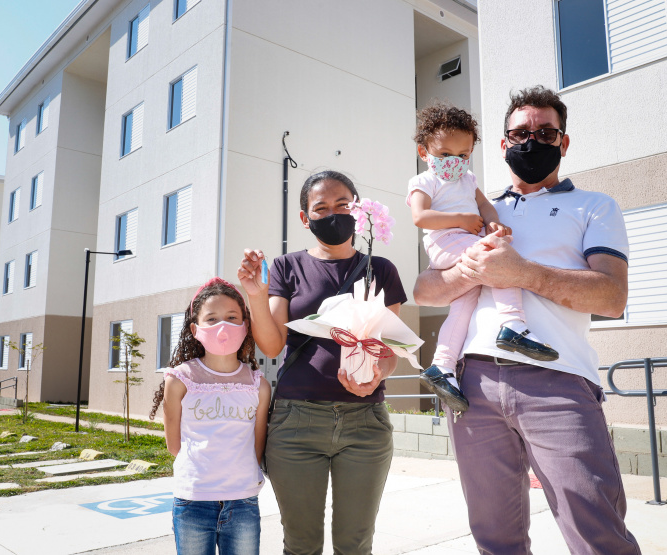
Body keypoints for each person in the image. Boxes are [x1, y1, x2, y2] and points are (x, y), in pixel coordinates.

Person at [413, 86, 641, 554]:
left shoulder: (595, 206)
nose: (531, 140)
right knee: (495, 537)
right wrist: (468, 269)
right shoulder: (478, 211)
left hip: (558, 379)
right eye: (520, 132)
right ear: (502, 144)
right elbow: (424, 291)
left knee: (596, 531)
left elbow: (612, 296)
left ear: (564, 141)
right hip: (470, 384)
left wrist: (525, 273)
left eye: (545, 132)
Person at [237, 170, 407, 555]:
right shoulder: (286, 267)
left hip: (366, 423)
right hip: (296, 423)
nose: (333, 214)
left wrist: (377, 373)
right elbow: (272, 342)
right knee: (301, 545)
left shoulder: (381, 269)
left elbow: (390, 349)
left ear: (358, 211)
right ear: (305, 217)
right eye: (321, 208)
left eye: (342, 204)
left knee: (355, 545)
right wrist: (256, 296)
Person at [407, 100, 558, 414]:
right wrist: (461, 220)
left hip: (466, 240)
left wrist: (492, 221)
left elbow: (485, 205)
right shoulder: (424, 181)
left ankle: (442, 365)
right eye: (445, 154)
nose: (455, 161)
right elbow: (420, 217)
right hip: (446, 242)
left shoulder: (467, 179)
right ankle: (513, 324)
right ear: (424, 152)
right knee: (497, 259)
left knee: (465, 301)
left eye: (462, 155)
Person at [149, 277, 270, 555]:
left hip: (243, 501)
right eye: (212, 319)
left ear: (245, 325)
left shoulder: (258, 384)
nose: (222, 326)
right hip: (193, 501)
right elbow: (174, 445)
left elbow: (257, 445)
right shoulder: (178, 380)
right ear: (195, 328)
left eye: (231, 317)